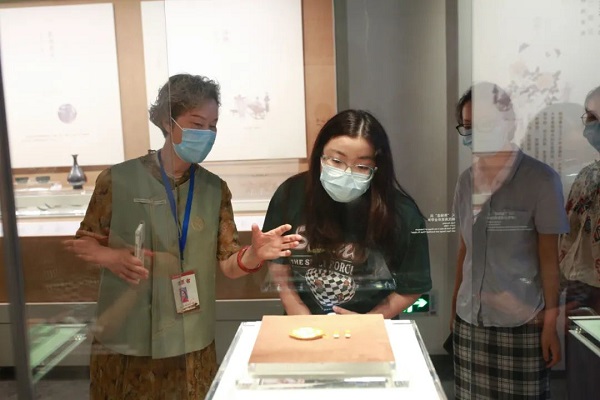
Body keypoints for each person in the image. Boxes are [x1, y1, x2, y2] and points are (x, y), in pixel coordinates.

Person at [64, 74, 301, 399]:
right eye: (197, 124)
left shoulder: (215, 189)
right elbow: (84, 242)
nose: (207, 134)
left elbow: (229, 264)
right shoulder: (117, 180)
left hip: (189, 338)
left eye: (213, 126)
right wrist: (111, 257)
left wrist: (254, 254)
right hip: (126, 333)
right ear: (167, 121)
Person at [451, 82, 568, 399]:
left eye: (486, 124)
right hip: (469, 320)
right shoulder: (466, 182)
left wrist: (550, 325)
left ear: (510, 122)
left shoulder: (541, 180)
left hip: (521, 321)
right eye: (469, 126)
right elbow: (465, 251)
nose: (476, 133)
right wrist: (453, 312)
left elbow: (549, 261)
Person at [262, 109, 431, 317]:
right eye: (336, 161)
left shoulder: (401, 212)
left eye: (361, 166)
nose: (347, 172)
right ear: (320, 156)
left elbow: (412, 286)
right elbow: (277, 259)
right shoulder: (291, 194)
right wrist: (295, 306)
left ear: (377, 166)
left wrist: (369, 320)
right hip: (303, 324)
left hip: (372, 325)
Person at [559, 85, 600, 317]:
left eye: (595, 117)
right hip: (578, 291)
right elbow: (568, 236)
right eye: (589, 117)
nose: (589, 126)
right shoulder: (586, 176)